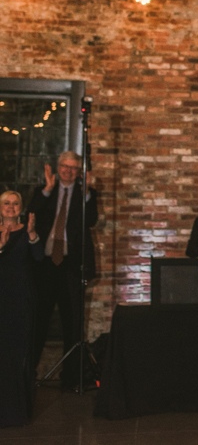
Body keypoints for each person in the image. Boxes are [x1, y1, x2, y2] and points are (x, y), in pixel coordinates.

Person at [29, 151, 98, 390]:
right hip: (46, 266)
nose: (68, 171)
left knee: (72, 323)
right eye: (64, 167)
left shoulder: (85, 194)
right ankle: (29, 372)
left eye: (73, 168)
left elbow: (91, 220)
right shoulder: (44, 192)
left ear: (79, 172)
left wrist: (87, 192)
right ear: (58, 168)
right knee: (39, 320)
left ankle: (71, 376)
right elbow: (31, 214)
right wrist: (48, 189)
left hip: (71, 265)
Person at [0, 191, 43, 427]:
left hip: (21, 299)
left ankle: (16, 412)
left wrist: (32, 233)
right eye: (6, 203)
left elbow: (38, 258)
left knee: (18, 353)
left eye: (15, 203)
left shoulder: (28, 231)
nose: (10, 207)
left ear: (21, 208)